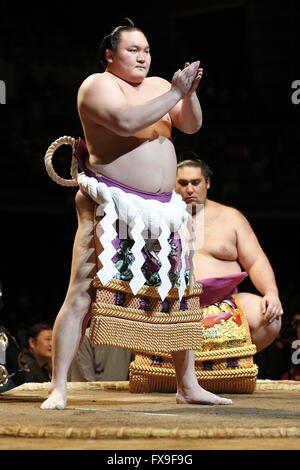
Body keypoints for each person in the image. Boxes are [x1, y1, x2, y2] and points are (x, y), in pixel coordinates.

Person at [41, 17, 233, 409]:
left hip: (164, 212)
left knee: (180, 293)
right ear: (110, 55)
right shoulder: (96, 86)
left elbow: (191, 126)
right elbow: (126, 122)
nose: (142, 56)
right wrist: (173, 92)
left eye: (146, 50)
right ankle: (58, 387)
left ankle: (187, 385)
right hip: (112, 204)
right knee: (82, 291)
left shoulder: (162, 86)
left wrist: (188, 94)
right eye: (133, 50)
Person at [175, 157, 283, 353]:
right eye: (183, 183)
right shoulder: (159, 219)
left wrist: (271, 292)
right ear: (173, 186)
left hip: (225, 301)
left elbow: (256, 261)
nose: (189, 189)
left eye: (195, 182)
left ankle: (230, 361)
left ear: (207, 183)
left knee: (269, 317)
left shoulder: (230, 217)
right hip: (176, 305)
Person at [68, 328, 134, 382]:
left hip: (96, 396)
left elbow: (84, 384)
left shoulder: (85, 337)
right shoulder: (131, 338)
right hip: (118, 396)